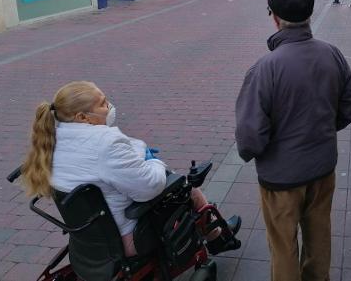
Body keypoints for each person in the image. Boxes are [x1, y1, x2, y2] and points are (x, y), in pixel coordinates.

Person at [20, 81, 240, 258]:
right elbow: (149, 187)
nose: (109, 107)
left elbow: (105, 165)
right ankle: (218, 238)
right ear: (82, 117)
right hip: (126, 237)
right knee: (188, 190)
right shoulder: (103, 142)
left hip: (89, 237)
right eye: (103, 104)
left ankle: (216, 235)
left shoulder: (50, 142)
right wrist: (153, 162)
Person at [235, 0, 351, 281]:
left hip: (281, 176)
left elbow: (250, 136)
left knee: (283, 244)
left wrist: (258, 152)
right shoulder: (332, 54)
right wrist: (322, 130)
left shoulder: (265, 68)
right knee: (319, 234)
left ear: (275, 18)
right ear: (308, 15)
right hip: (322, 166)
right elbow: (348, 106)